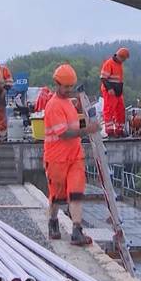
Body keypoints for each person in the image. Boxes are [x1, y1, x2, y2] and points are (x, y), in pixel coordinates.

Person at [44, 64, 99, 245]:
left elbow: (74, 126)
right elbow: (64, 133)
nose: (69, 90)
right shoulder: (53, 106)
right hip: (57, 159)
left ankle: (77, 230)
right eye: (66, 87)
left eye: (71, 87)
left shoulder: (68, 103)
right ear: (57, 84)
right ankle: (53, 221)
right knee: (57, 197)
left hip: (75, 156)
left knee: (75, 194)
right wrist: (87, 130)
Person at [100, 47, 129, 137]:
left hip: (117, 91)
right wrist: (109, 89)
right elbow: (103, 78)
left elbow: (118, 79)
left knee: (120, 110)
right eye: (124, 59)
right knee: (109, 110)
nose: (124, 61)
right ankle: (110, 131)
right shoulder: (109, 63)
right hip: (110, 91)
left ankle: (119, 130)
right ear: (120, 56)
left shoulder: (119, 64)